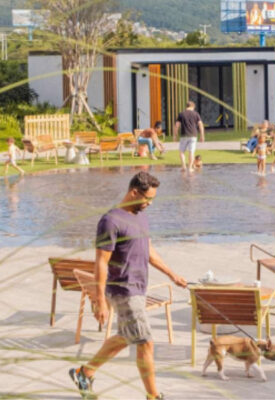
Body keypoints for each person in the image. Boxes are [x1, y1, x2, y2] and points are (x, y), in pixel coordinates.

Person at [68, 172, 188, 400]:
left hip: (139, 287)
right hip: (123, 290)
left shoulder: (139, 215)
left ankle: (84, 372)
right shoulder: (110, 221)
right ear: (134, 192)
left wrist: (172, 274)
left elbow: (149, 250)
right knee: (145, 342)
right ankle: (153, 396)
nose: (149, 204)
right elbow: (101, 262)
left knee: (126, 336)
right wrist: (99, 300)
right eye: (147, 199)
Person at [173, 101, 205, 172]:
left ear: (186, 106)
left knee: (181, 152)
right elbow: (200, 125)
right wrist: (202, 135)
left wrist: (175, 136)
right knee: (191, 152)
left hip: (184, 135)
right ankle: (190, 168)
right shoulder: (196, 114)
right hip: (193, 135)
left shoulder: (181, 114)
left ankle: (184, 166)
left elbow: (177, 125)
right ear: (193, 106)